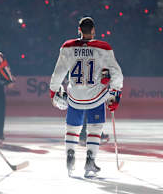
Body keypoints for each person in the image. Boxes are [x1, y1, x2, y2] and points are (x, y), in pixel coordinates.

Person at [49, 17, 123, 177]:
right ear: (94, 30)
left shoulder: (67, 47)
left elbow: (59, 72)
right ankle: (90, 160)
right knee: (95, 129)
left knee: (72, 129)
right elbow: (116, 73)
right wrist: (116, 92)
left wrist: (53, 90)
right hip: (95, 96)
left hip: (75, 96)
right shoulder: (103, 48)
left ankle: (70, 156)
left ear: (79, 30)